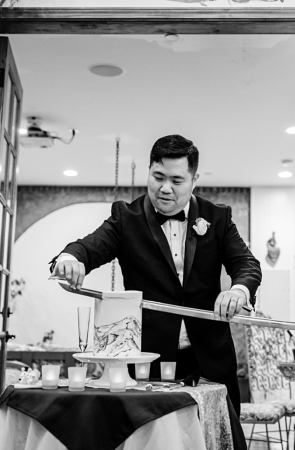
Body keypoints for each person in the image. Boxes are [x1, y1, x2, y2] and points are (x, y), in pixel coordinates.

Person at [50, 134, 262, 418]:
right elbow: (87, 247)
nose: (165, 188)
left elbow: (247, 265)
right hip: (148, 361)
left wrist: (238, 291)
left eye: (176, 181)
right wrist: (70, 259)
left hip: (210, 359)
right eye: (158, 177)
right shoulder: (126, 217)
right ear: (149, 171)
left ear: (194, 179)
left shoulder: (218, 217)